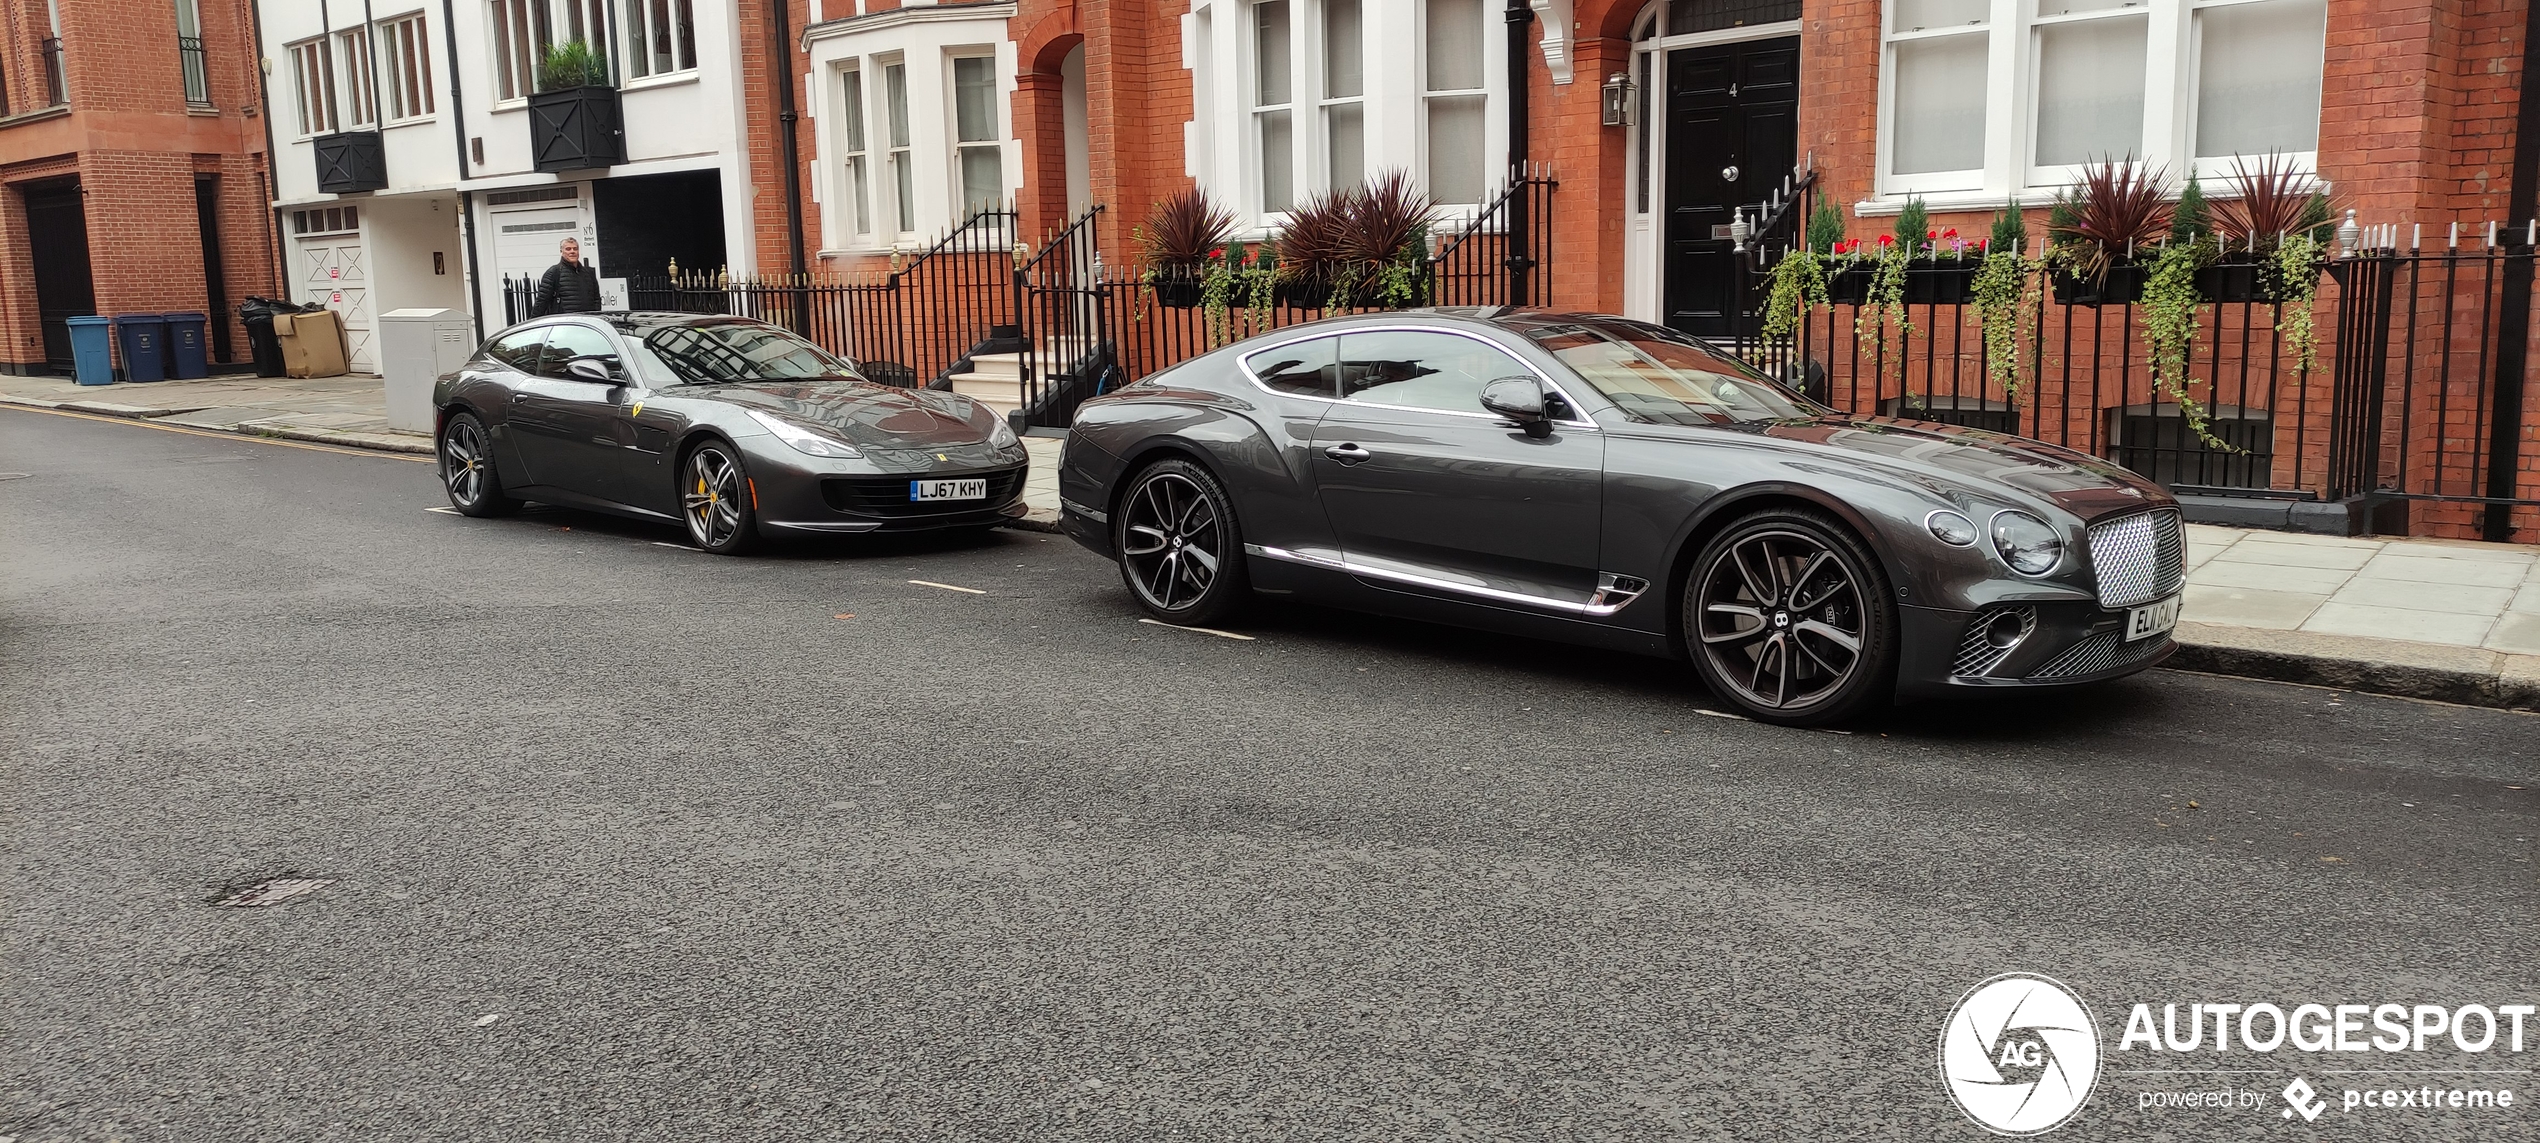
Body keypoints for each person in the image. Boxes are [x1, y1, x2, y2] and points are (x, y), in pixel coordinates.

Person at [534, 237, 602, 316]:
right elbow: (541, 302)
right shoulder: (554, 273)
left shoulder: (589, 273)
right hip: (565, 324)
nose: (572, 251)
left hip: (587, 323)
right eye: (568, 249)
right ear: (561, 252)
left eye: (575, 249)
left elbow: (596, 299)